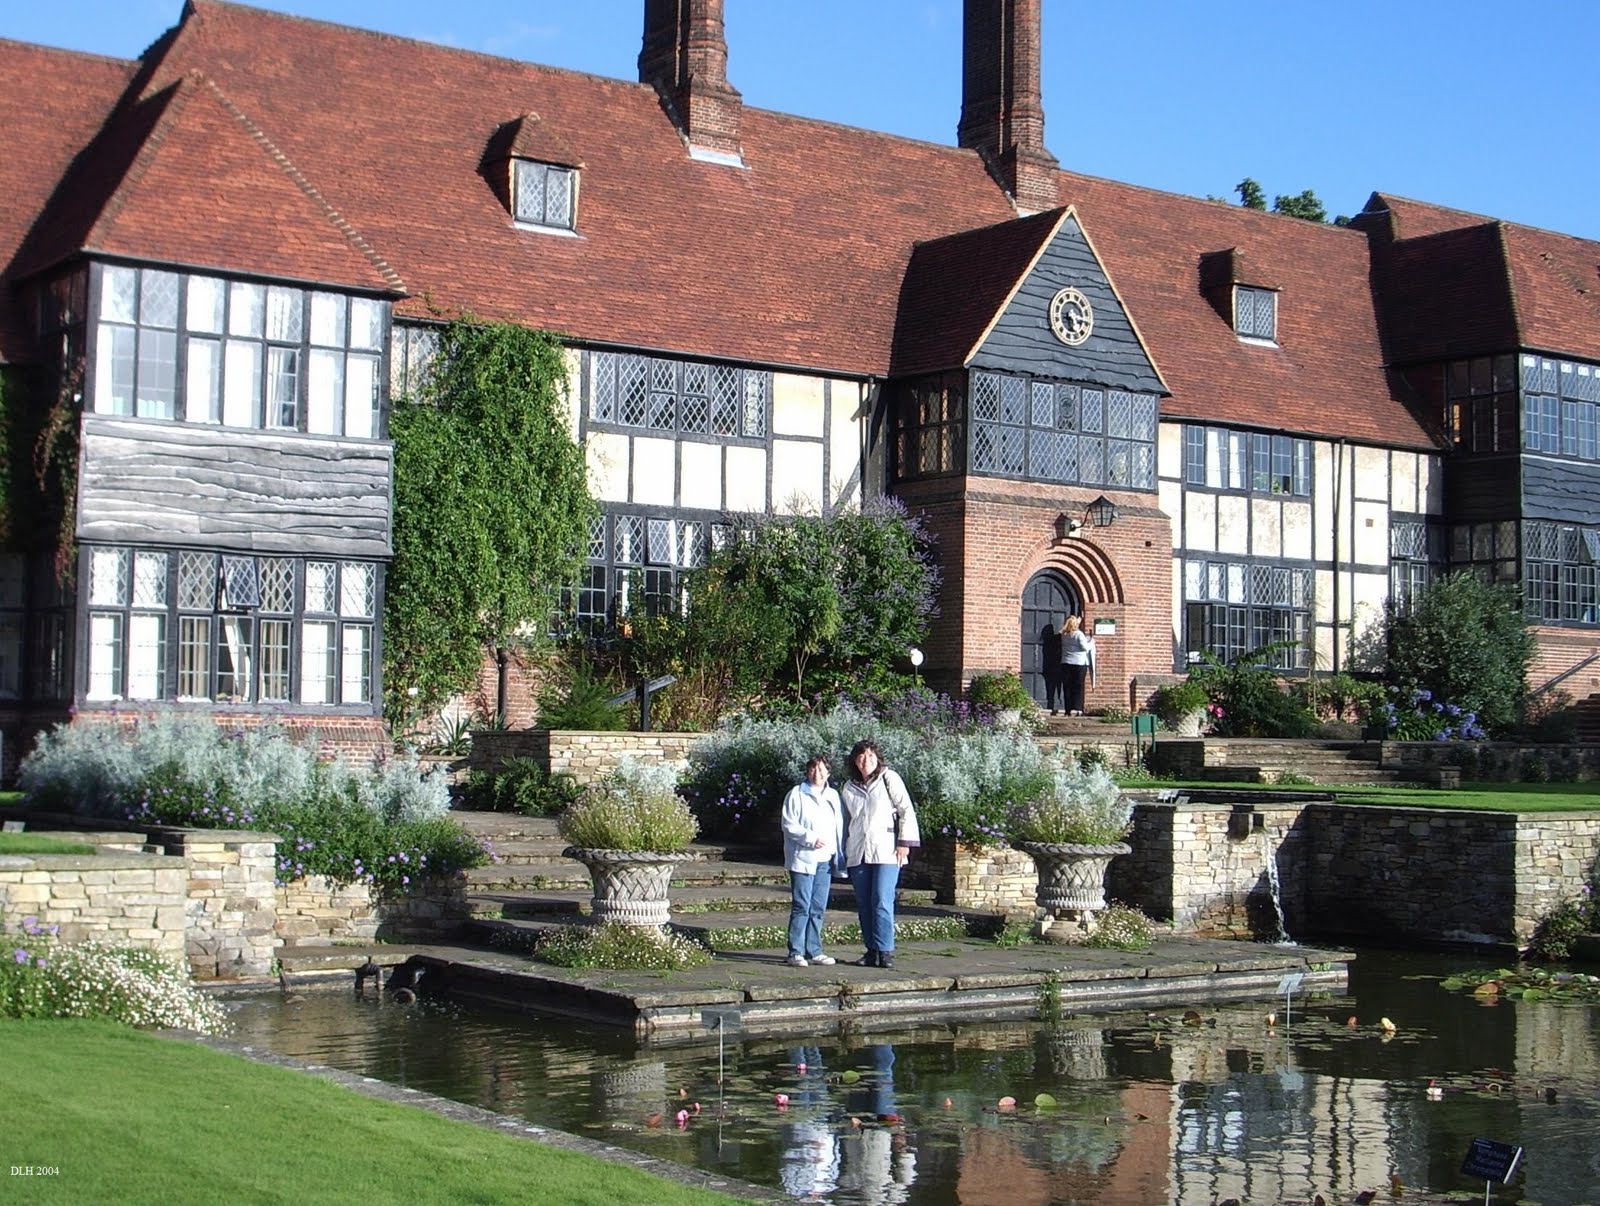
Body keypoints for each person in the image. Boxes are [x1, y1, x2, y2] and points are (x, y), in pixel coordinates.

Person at [840, 740, 920, 969]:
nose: (866, 760)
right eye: (861, 756)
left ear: (877, 758)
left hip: (887, 850)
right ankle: (871, 950)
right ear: (855, 761)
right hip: (858, 851)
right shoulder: (848, 787)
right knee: (864, 903)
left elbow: (906, 809)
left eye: (870, 756)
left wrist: (904, 842)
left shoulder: (889, 778)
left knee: (882, 899)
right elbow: (845, 821)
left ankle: (885, 950)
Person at [781, 755, 844, 967]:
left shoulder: (833, 796)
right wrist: (810, 838)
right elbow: (789, 824)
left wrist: (837, 851)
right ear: (808, 772)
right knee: (802, 905)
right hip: (803, 858)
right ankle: (796, 952)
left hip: (825, 859)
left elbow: (839, 825)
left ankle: (814, 950)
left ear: (829, 773)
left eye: (822, 770)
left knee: (818, 906)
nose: (818, 774)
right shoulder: (796, 794)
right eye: (814, 769)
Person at [1060, 614, 1096, 716]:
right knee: (1078, 686)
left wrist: (1077, 621)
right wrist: (1091, 642)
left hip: (1066, 662)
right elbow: (1085, 648)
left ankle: (1067, 709)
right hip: (1079, 663)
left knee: (1067, 687)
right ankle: (1077, 708)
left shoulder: (1064, 634)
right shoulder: (1079, 634)